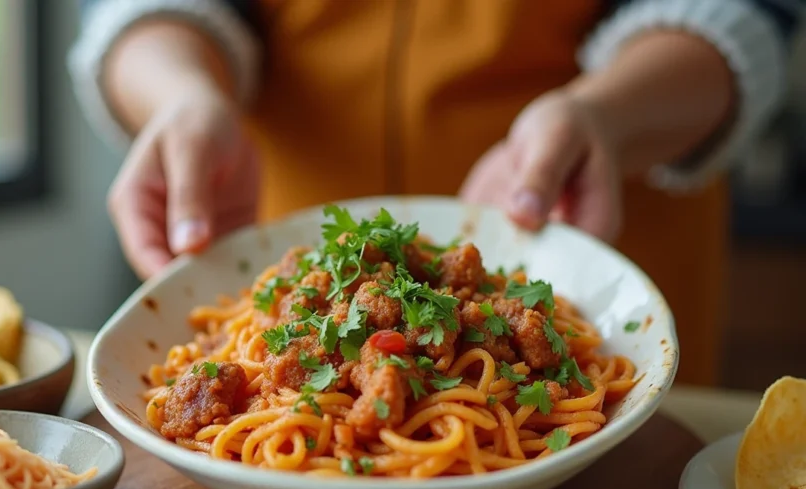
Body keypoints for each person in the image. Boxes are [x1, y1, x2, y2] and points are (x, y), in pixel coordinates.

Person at [68, 0, 802, 386]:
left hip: (577, 236)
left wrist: (601, 118)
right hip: (277, 233)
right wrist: (180, 97)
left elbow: (742, 10)